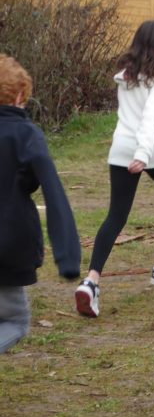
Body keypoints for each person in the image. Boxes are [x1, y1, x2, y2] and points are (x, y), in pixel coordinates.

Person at [75, 20, 154, 318]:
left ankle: (91, 282)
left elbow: (143, 115)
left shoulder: (126, 76)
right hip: (153, 151)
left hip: (122, 149)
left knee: (116, 215)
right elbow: (151, 117)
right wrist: (144, 153)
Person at [0, 54, 80, 353]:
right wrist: (68, 256)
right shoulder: (26, 134)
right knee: (15, 321)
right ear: (19, 96)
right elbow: (53, 191)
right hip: (8, 245)